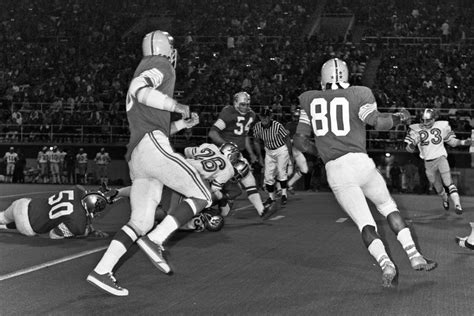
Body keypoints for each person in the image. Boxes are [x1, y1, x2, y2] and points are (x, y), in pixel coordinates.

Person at [294, 57, 437, 288]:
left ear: (322, 79)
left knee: (366, 224)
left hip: (336, 170)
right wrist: (401, 116)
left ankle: (385, 264)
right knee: (388, 207)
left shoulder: (308, 99)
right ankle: (414, 255)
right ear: (348, 77)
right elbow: (378, 122)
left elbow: (300, 141)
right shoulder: (358, 93)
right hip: (361, 163)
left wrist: (320, 152)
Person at [87, 30, 210, 297]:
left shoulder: (146, 67)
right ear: (167, 49)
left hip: (140, 156)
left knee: (140, 222)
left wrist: (181, 123)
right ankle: (156, 239)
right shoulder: (161, 64)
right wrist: (176, 106)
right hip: (150, 147)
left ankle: (102, 270)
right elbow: (139, 89)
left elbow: (153, 118)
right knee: (202, 194)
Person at [208, 91, 272, 218]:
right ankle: (209, 204)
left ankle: (260, 210)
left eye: (247, 104)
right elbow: (213, 133)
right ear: (235, 103)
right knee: (236, 185)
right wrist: (226, 145)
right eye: (242, 104)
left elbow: (244, 136)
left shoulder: (251, 115)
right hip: (223, 153)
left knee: (247, 180)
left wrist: (251, 153)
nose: (245, 107)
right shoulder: (228, 112)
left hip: (237, 153)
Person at [404, 108, 471, 214]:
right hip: (428, 163)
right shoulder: (415, 129)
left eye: (428, 120)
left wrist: (463, 142)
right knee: (438, 188)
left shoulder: (442, 126)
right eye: (423, 120)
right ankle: (445, 198)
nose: (425, 123)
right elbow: (408, 149)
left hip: (441, 158)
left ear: (434, 119)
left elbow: (452, 142)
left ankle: (458, 205)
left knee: (448, 182)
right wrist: (413, 143)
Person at [0, 185, 113, 239]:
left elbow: (81, 190)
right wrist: (86, 230)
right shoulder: (79, 223)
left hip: (22, 204)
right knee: (54, 224)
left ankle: (3, 224)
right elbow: (53, 234)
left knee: (3, 216)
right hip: (27, 227)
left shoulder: (77, 191)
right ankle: (4, 227)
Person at [252, 108, 292, 206]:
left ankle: (284, 195)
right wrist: (260, 156)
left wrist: (290, 154)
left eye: (266, 116)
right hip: (269, 150)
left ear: (270, 117)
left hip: (281, 149)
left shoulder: (277, 126)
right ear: (260, 117)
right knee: (268, 175)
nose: (264, 118)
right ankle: (271, 197)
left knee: (281, 171)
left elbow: (286, 138)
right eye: (262, 116)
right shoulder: (257, 127)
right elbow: (256, 141)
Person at [285, 108, 309, 193]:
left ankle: (288, 184)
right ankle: (278, 187)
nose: (296, 119)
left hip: (297, 151)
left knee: (304, 170)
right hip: (289, 150)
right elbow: (285, 137)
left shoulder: (303, 126)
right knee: (288, 172)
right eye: (295, 117)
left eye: (297, 117)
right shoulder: (289, 125)